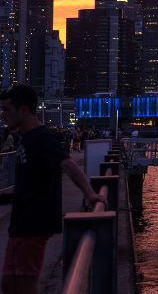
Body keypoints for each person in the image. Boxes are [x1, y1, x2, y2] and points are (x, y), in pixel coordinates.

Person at [0, 84, 106, 294]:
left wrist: (91, 195)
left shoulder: (42, 137)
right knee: (9, 283)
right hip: (20, 222)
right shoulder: (25, 138)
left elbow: (69, 166)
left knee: (26, 283)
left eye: (7, 109)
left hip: (34, 223)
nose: (3, 115)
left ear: (23, 110)